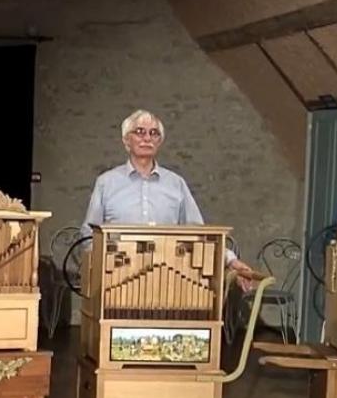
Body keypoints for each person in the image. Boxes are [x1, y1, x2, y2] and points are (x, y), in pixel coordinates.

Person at [79, 109, 256, 288]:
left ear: (160, 142)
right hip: (116, 283)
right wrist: (105, 267)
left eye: (154, 133)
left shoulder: (176, 184)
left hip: (168, 284)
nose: (147, 138)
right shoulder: (106, 183)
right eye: (139, 132)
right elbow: (89, 236)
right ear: (126, 140)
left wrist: (230, 260)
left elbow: (199, 235)